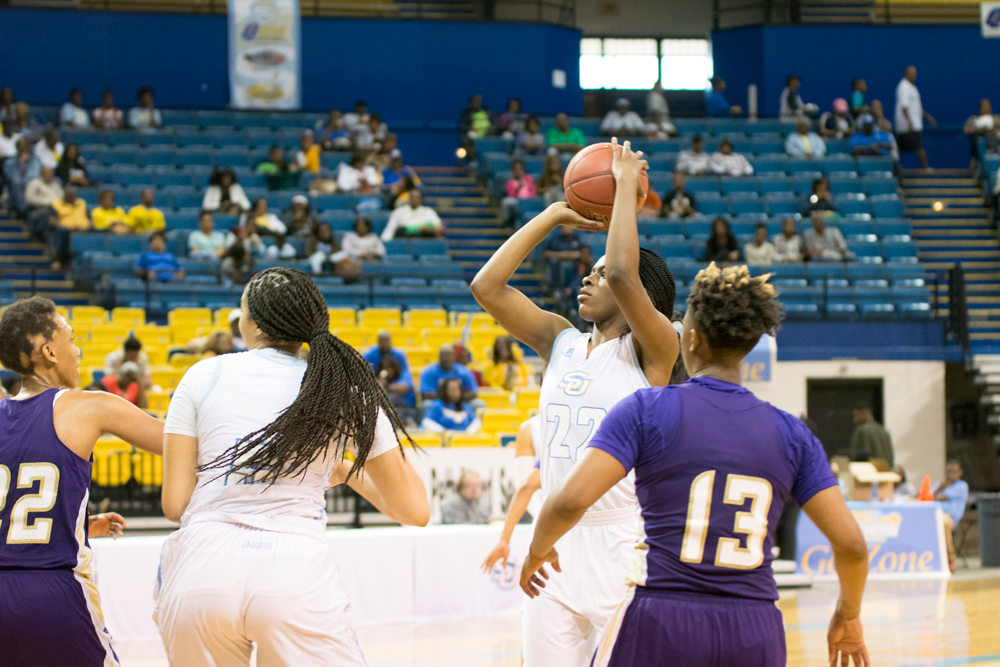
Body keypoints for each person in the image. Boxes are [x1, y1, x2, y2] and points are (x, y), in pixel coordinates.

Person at [521, 262, 870, 667]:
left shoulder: (648, 409)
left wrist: (537, 549)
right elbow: (852, 546)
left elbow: (567, 502)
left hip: (664, 611)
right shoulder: (791, 433)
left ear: (689, 338)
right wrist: (848, 614)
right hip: (755, 622)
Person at [470, 138, 680, 667]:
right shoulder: (560, 340)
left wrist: (626, 191)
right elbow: (487, 286)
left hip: (623, 540)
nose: (589, 276)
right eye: (590, 269)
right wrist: (552, 216)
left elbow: (627, 274)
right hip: (556, 541)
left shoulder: (655, 349)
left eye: (601, 272)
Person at [156, 267, 430, 665]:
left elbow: (175, 505)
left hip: (202, 567)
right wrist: (342, 474)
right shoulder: (342, 390)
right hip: (293, 570)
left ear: (249, 323)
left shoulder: (202, 375)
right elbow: (415, 510)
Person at [0, 296, 164, 666]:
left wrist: (75, 523)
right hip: (52, 592)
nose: (78, 349)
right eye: (71, 339)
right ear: (49, 352)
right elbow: (175, 441)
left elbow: (14, 503)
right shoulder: (88, 406)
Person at [481, 418, 544, 573]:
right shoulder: (533, 429)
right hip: (564, 522)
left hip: (567, 524)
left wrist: (504, 539)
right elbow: (526, 487)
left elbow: (526, 488)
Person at [895, 66, 936, 171]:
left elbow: (917, 107)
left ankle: (895, 167)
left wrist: (928, 117)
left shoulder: (912, 87)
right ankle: (925, 168)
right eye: (911, 72)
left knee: (901, 148)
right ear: (906, 73)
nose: (914, 75)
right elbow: (904, 107)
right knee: (918, 147)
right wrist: (909, 122)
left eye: (915, 73)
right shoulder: (904, 87)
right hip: (908, 125)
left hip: (913, 123)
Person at [933, 459, 969, 573]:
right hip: (933, 514)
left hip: (951, 517)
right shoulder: (939, 485)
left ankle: (950, 559)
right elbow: (927, 499)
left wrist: (941, 490)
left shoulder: (961, 486)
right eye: (949, 471)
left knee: (943, 523)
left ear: (960, 473)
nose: (951, 474)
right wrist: (939, 488)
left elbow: (941, 498)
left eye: (954, 471)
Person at [364, 331, 416, 408]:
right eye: (382, 341)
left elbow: (405, 386)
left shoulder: (399, 355)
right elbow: (367, 382)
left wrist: (387, 387)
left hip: (401, 401)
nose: (385, 344)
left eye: (387, 341)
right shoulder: (370, 355)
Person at [4, 137, 38, 220]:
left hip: (32, 187)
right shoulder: (9, 162)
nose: (24, 148)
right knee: (17, 182)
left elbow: (35, 176)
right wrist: (21, 165)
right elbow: (10, 177)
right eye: (21, 146)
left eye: (26, 146)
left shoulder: (35, 161)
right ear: (17, 148)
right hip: (16, 190)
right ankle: (22, 210)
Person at [543, 224, 583, 291]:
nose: (567, 229)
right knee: (554, 261)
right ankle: (556, 288)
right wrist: (560, 255)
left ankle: (574, 286)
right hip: (558, 264)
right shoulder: (554, 239)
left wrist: (572, 254)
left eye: (569, 227)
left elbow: (584, 252)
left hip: (573, 264)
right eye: (565, 227)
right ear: (561, 229)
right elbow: (546, 253)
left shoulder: (577, 239)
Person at [963, 99, 1000, 171]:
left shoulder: (997, 118)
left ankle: (992, 152)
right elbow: (965, 130)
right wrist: (977, 128)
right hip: (978, 143)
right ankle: (975, 160)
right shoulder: (974, 119)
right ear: (980, 108)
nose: (986, 108)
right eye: (983, 106)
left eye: (987, 106)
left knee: (990, 131)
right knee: (975, 135)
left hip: (995, 142)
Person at [501, 159, 538, 227]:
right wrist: (518, 188)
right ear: (513, 170)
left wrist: (528, 197)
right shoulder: (510, 182)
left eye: (519, 168)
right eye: (516, 168)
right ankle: (507, 221)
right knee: (505, 201)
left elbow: (533, 190)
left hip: (528, 200)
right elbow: (511, 195)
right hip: (516, 200)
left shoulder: (528, 178)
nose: (518, 170)